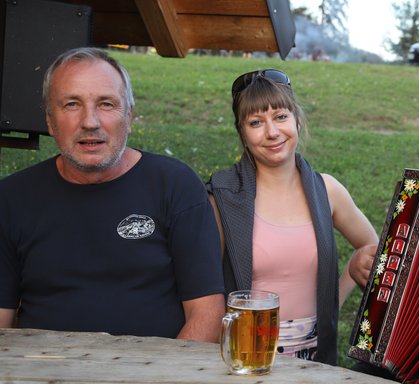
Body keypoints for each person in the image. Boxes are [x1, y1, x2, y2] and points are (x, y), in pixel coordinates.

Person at [0, 47, 225, 342]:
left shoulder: (175, 185)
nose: (90, 121)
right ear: (50, 121)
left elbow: (206, 316)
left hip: (155, 380)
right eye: (71, 104)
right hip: (44, 379)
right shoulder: (12, 198)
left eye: (106, 104)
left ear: (129, 116)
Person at [207, 69, 378, 365]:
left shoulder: (328, 191)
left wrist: (351, 272)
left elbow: (377, 255)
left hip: (314, 356)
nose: (272, 132)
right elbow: (202, 288)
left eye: (281, 117)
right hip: (245, 352)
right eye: (256, 122)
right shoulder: (222, 198)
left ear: (297, 121)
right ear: (242, 133)